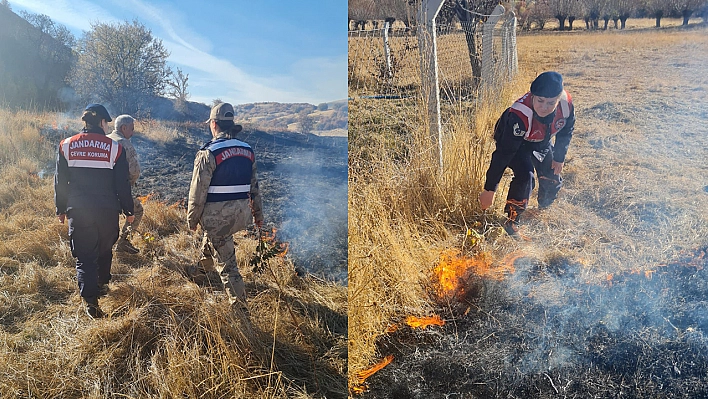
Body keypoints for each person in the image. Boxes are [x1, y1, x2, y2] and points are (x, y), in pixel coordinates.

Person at [54, 104, 135, 318]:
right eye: (107, 122)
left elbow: (60, 182)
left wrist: (60, 209)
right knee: (104, 250)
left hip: (78, 210)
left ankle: (91, 302)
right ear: (102, 122)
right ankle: (101, 284)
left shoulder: (66, 145)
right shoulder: (115, 148)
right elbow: (122, 184)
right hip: (107, 211)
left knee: (85, 257)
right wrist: (129, 209)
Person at [479, 71, 575, 236]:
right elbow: (503, 153)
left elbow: (566, 131)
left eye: (550, 103)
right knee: (526, 177)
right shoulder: (520, 114)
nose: (544, 107)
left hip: (540, 141)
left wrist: (559, 158)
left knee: (552, 175)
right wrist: (490, 189)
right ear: (532, 96)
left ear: (558, 99)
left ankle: (543, 207)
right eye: (540, 100)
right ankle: (512, 220)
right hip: (516, 143)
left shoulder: (565, 106)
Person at [187, 102, 264, 307]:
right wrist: (258, 215)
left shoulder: (208, 152)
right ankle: (199, 273)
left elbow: (197, 192)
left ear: (214, 124)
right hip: (240, 216)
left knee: (228, 265)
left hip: (217, 218)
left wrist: (192, 219)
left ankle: (241, 311)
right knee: (213, 239)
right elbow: (254, 187)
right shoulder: (248, 151)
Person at [107, 114, 143, 254]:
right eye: (132, 129)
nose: (133, 132)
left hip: (101, 190)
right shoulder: (124, 144)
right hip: (119, 190)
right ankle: (124, 241)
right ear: (124, 127)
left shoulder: (105, 139)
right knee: (137, 210)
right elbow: (134, 171)